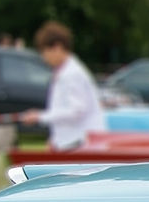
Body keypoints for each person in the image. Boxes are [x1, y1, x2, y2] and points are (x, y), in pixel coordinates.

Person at [21, 21, 106, 151]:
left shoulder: (72, 74)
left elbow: (76, 110)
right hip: (72, 143)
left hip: (80, 145)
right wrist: (55, 138)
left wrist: (40, 117)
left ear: (57, 47)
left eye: (45, 52)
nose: (44, 58)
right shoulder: (66, 71)